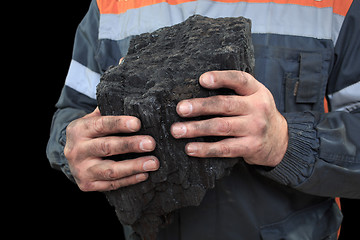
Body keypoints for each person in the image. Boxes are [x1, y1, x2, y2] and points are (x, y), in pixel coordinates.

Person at [47, 0, 360, 239]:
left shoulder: (334, 6)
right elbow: (72, 112)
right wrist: (72, 146)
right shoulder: (111, 6)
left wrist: (285, 142)